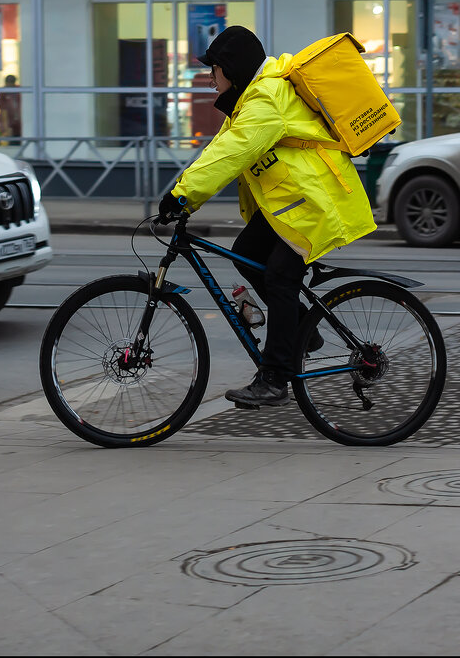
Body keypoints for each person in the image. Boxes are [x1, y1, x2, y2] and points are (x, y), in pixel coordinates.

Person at [158, 26, 376, 407]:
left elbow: (234, 152)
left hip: (312, 203)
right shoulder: (250, 98)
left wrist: (182, 194)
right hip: (292, 203)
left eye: (215, 69)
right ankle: (304, 331)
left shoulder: (266, 98)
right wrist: (185, 195)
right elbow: (221, 149)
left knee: (278, 276)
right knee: (247, 253)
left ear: (233, 68)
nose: (210, 77)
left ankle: (275, 379)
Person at [0, 74, 22, 144]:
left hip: (19, 122)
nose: (9, 86)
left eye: (11, 84)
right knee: (12, 141)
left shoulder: (19, 90)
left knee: (19, 140)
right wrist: (6, 127)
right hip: (10, 121)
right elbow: (3, 110)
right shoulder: (3, 92)